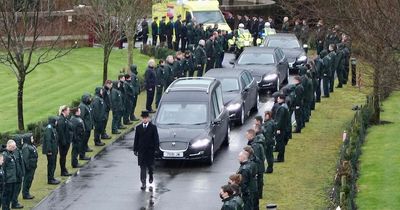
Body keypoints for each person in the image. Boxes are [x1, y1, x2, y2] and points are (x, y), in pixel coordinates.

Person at [133, 111, 160, 190]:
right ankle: (143, 182)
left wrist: (156, 149)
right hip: (141, 150)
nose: (144, 119)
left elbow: (156, 139)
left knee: (150, 165)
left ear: (148, 118)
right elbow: (136, 139)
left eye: (146, 118)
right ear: (141, 119)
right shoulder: (138, 128)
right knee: (142, 167)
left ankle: (151, 175)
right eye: (143, 118)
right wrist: (135, 149)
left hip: (150, 150)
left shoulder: (153, 127)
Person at [42, 117, 60, 185]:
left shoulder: (52, 128)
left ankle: (52, 177)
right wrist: (49, 150)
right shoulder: (49, 129)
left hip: (53, 150)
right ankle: (50, 179)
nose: (57, 122)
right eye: (56, 121)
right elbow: (48, 140)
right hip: (51, 151)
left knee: (53, 164)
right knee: (51, 164)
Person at [249, 127, 265, 199]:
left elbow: (256, 158)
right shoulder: (256, 143)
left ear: (251, 135)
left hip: (258, 167)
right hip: (259, 167)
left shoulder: (255, 145)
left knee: (258, 181)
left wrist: (254, 169)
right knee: (259, 181)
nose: (246, 136)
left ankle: (258, 195)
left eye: (247, 135)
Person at [2, 140, 18, 210]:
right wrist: (4, 180)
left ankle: (7, 208)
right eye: (13, 147)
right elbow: (3, 168)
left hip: (12, 179)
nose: (15, 148)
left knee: (10, 196)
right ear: (8, 146)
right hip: (7, 180)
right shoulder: (5, 155)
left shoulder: (11, 153)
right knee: (6, 196)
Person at [57, 105, 72, 176]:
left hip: (66, 141)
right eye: (68, 110)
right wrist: (64, 142)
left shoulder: (65, 118)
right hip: (63, 142)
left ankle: (64, 169)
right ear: (64, 111)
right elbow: (61, 132)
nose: (69, 111)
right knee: (63, 156)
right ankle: (63, 171)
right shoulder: (61, 120)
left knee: (64, 156)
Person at [10, 136, 24, 209]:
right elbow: (16, 164)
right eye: (21, 141)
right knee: (16, 189)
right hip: (17, 175)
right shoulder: (15, 152)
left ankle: (14, 201)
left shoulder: (18, 150)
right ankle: (14, 203)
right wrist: (19, 174)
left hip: (19, 173)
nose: (22, 142)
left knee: (18, 189)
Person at [275, 94, 289, 162]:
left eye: (278, 99)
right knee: (281, 143)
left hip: (281, 129)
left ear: (282, 99)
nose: (277, 100)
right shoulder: (284, 106)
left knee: (281, 143)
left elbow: (280, 120)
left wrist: (277, 128)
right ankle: (280, 157)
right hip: (284, 128)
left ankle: (280, 158)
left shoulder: (282, 108)